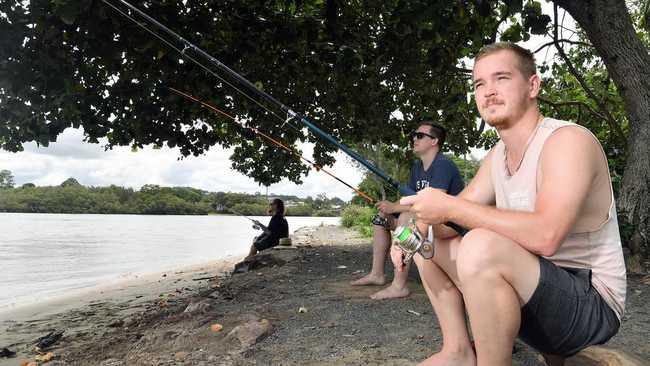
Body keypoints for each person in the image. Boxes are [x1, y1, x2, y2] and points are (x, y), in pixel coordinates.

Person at [394, 42, 626, 366]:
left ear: (533, 85)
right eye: (479, 84)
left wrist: (448, 208)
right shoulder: (496, 156)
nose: (488, 91)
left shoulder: (567, 141)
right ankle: (458, 351)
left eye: (501, 78)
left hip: (590, 308)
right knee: (426, 242)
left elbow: (546, 235)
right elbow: (446, 219)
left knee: (480, 245)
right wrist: (412, 231)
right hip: (535, 291)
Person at [350, 121, 464, 300]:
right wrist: (389, 207)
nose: (414, 139)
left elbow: (435, 204)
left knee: (406, 216)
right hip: (426, 221)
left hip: (450, 223)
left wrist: (396, 207)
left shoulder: (443, 165)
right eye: (413, 135)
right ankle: (377, 274)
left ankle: (399, 286)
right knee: (382, 217)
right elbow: (409, 199)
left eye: (419, 135)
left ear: (434, 141)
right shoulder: (417, 167)